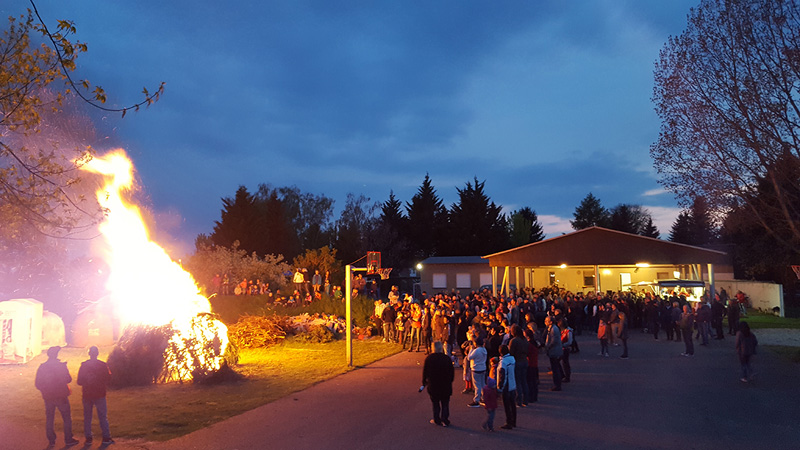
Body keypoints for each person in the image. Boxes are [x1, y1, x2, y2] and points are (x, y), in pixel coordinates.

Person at [35, 346, 80, 448]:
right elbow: (68, 379)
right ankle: (68, 439)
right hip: (61, 396)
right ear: (56, 355)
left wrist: (45, 390)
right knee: (66, 418)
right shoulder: (61, 366)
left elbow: (38, 383)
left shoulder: (42, 367)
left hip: (48, 397)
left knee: (50, 418)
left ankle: (51, 441)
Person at [77, 346, 114, 445]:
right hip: (99, 394)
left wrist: (88, 381)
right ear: (97, 353)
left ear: (89, 354)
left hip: (87, 394)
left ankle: (88, 438)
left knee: (87, 417)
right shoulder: (102, 365)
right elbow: (109, 378)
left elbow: (79, 381)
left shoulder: (84, 365)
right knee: (102, 416)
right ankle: (106, 437)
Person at [421, 341, 454, 427]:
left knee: (435, 403)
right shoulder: (447, 359)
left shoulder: (429, 359)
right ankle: (445, 419)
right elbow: (451, 372)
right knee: (445, 403)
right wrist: (450, 380)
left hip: (434, 384)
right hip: (445, 384)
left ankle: (437, 419)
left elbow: (425, 372)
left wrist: (424, 382)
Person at [497, 344, 517, 430]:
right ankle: (514, 421)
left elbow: (502, 376)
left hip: (507, 386)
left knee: (507, 405)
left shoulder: (503, 362)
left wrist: (500, 387)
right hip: (513, 383)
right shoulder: (512, 359)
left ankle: (509, 422)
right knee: (513, 404)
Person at [466, 337, 487, 407]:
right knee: (483, 384)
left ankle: (476, 400)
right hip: (483, 367)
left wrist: (471, 349)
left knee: (477, 385)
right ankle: (484, 398)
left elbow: (469, 357)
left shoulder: (477, 350)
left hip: (476, 368)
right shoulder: (484, 350)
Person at [544, 316, 563, 391]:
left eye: (546, 321)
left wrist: (548, 346)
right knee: (555, 367)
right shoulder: (551, 328)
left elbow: (554, 341)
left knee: (555, 368)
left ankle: (557, 384)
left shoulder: (554, 329)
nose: (545, 322)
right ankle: (558, 382)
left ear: (551, 322)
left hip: (554, 351)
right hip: (553, 351)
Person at [481, 362, 499, 432]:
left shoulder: (486, 389)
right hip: (492, 405)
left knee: (489, 415)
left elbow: (486, 398)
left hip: (488, 405)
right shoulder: (492, 390)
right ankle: (489, 426)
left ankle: (486, 425)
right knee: (491, 416)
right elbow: (495, 396)